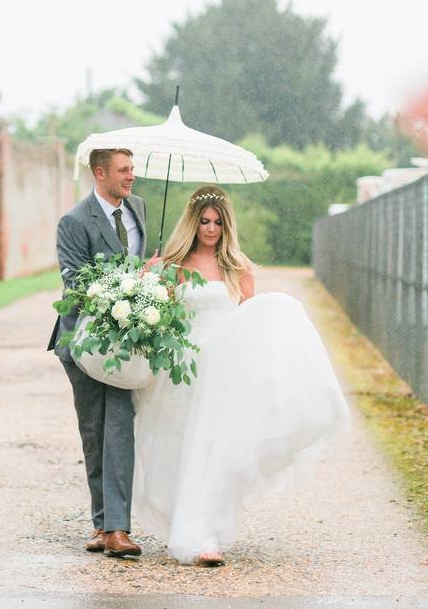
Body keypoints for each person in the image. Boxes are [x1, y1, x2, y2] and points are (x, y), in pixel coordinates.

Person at [136, 185, 351, 566]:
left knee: (215, 448)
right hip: (182, 367)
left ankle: (207, 535)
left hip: (223, 367)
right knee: (180, 445)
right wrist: (148, 278)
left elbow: (250, 319)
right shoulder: (173, 266)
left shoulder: (238, 268)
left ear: (226, 224)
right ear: (192, 223)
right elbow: (158, 313)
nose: (211, 228)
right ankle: (181, 520)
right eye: (204, 221)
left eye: (218, 222)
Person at [48, 148, 148, 557]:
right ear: (100, 172)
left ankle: (118, 529)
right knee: (94, 432)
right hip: (83, 340)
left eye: (132, 169)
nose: (131, 177)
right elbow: (74, 280)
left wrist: (149, 279)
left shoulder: (139, 207)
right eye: (123, 170)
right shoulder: (73, 221)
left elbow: (142, 260)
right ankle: (102, 523)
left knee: (120, 427)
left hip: (128, 344)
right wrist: (125, 287)